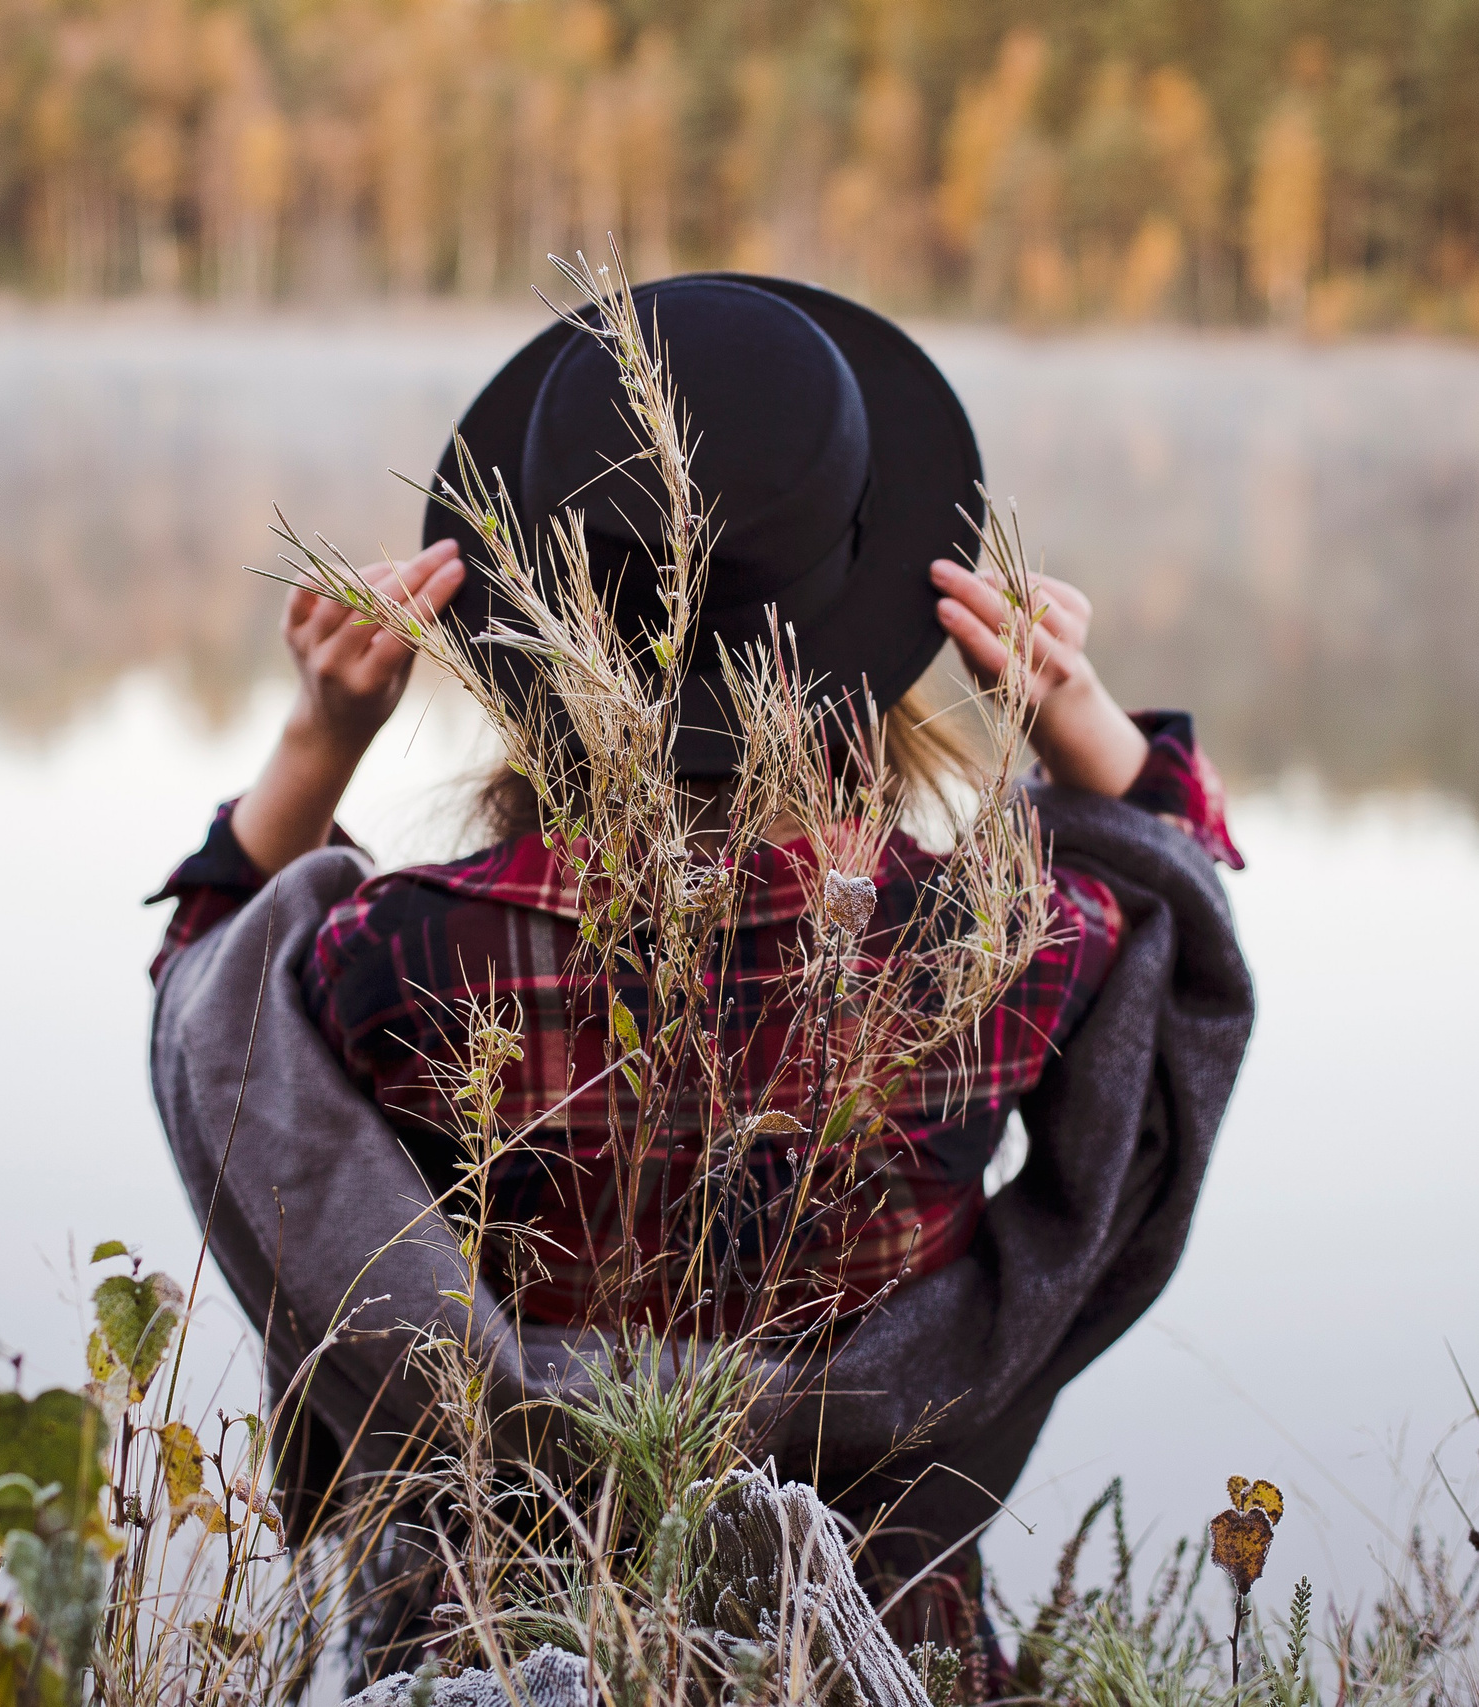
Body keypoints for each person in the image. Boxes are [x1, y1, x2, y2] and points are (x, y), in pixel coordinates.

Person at [148, 276, 1253, 1675]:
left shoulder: (394, 959)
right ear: (882, 614)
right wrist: (1083, 722)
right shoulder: (1009, 948)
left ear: (531, 619)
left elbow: (211, 1014)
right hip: (867, 1652)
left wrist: (318, 742)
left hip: (484, 1651)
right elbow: (1183, 936)